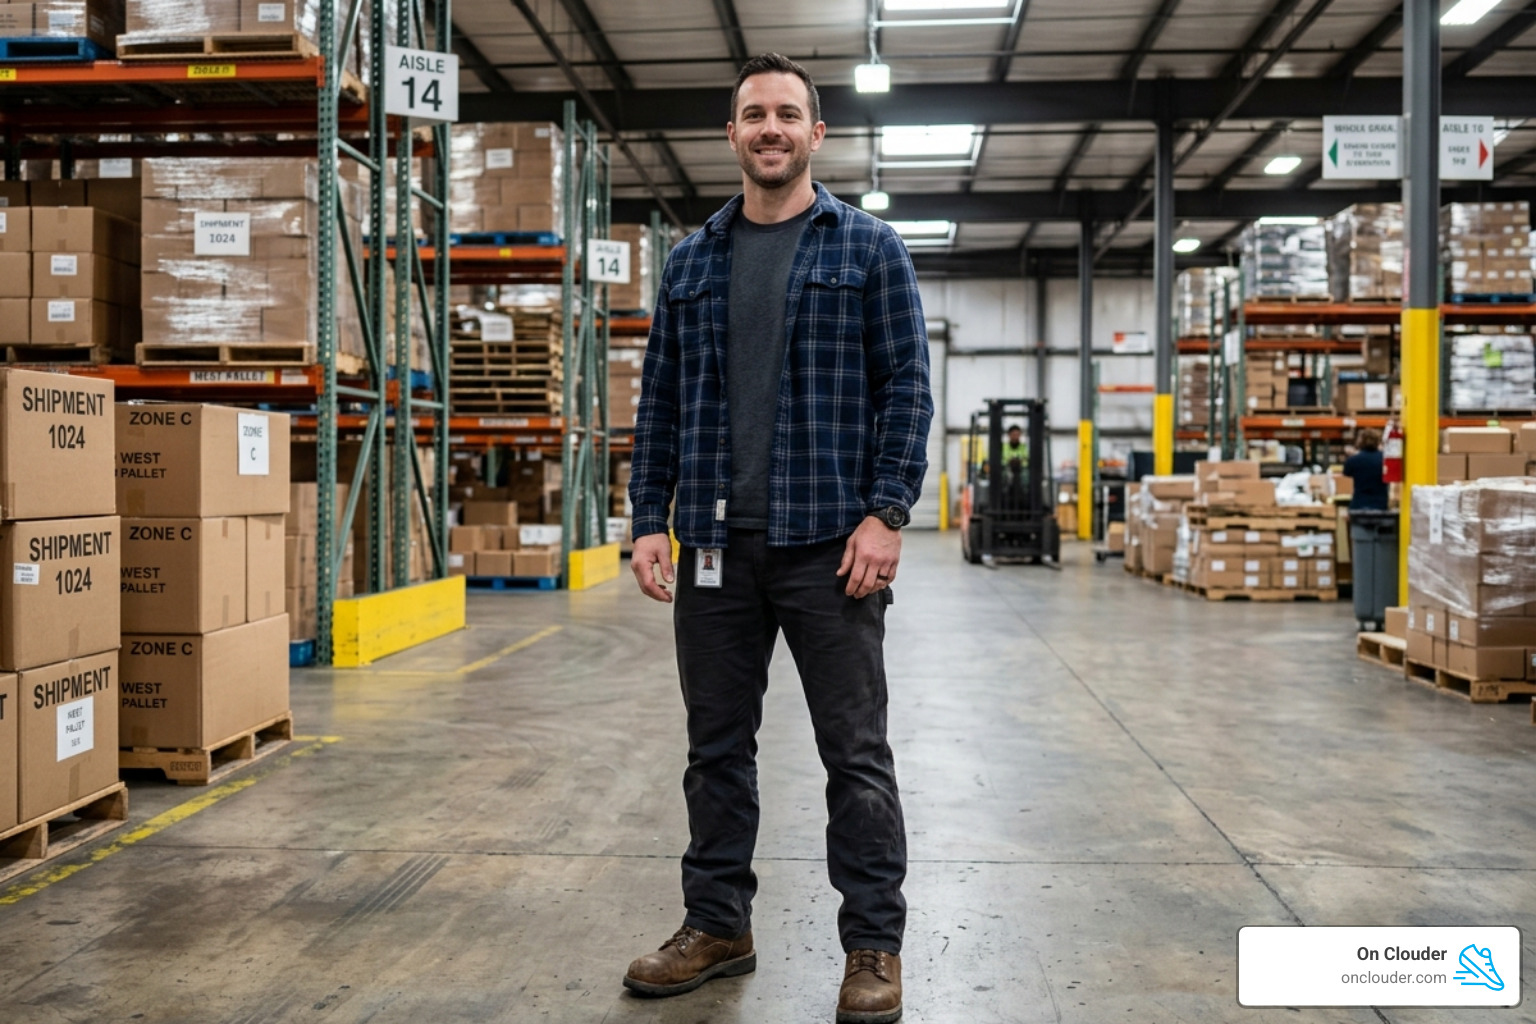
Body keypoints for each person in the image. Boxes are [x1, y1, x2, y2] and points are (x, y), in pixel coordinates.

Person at [623, 52, 933, 1024]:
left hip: (829, 544)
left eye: (787, 114)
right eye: (753, 114)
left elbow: (908, 391)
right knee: (716, 749)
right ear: (732, 133)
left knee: (855, 753)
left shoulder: (869, 249)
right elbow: (660, 403)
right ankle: (718, 924)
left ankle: (872, 944)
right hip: (714, 543)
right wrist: (647, 519)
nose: (770, 128)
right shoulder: (690, 262)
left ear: (815, 134)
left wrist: (887, 512)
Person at [1343, 428, 1389, 510]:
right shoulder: (1385, 460)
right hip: (1380, 505)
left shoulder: (1353, 460)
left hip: (1358, 505)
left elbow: (1346, 473)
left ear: (1360, 441)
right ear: (1378, 441)